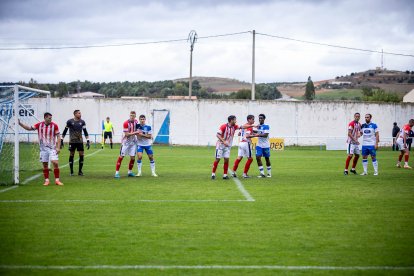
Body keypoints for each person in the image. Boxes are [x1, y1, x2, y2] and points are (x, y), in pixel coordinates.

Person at [18, 113, 63, 186]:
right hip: (43, 149)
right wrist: (20, 123)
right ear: (45, 117)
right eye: (49, 118)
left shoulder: (54, 125)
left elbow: (58, 137)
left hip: (52, 148)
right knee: (45, 165)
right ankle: (46, 181)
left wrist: (58, 147)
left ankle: (57, 180)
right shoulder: (39, 125)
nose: (50, 119)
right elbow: (29, 128)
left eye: (51, 118)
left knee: (55, 163)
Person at [61, 110, 90, 176]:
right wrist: (62, 139)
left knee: (81, 154)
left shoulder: (82, 122)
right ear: (75, 114)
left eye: (80, 113)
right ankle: (71, 172)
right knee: (72, 154)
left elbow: (85, 131)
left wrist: (88, 140)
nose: (80, 114)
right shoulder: (70, 121)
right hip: (72, 141)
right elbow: (65, 130)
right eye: (79, 113)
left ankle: (80, 171)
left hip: (80, 141)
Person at [211, 115, 240, 180]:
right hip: (220, 146)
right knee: (217, 159)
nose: (236, 121)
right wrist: (224, 141)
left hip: (227, 147)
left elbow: (242, 127)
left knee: (226, 159)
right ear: (231, 120)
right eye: (235, 120)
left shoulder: (234, 126)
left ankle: (225, 175)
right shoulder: (223, 126)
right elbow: (217, 135)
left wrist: (252, 126)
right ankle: (213, 174)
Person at [114, 111, 140, 178]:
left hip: (133, 143)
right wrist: (135, 132)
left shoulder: (136, 122)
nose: (132, 117)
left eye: (133, 115)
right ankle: (116, 173)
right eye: (131, 115)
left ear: (135, 116)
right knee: (121, 156)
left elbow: (138, 129)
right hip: (125, 143)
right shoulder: (126, 123)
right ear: (129, 115)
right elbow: (127, 134)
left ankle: (129, 172)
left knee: (133, 158)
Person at [255, 114, 272, 178]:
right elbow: (256, 131)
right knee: (257, 157)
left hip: (266, 145)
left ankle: (269, 173)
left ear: (264, 119)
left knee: (267, 158)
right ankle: (262, 173)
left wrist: (255, 135)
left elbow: (265, 135)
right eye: (259, 118)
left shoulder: (266, 126)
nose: (260, 119)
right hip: (259, 145)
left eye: (261, 118)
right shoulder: (258, 126)